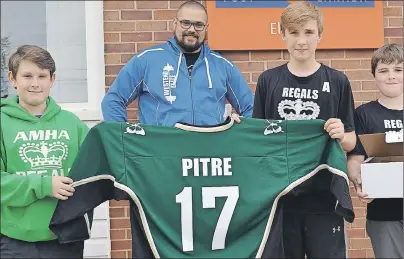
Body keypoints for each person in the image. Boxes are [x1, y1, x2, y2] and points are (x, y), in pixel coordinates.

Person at [252, 2, 356, 258]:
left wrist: (341, 134)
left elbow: (352, 142)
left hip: (324, 197)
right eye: (294, 32)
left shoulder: (338, 81)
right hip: (281, 198)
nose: (301, 41)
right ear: (283, 34)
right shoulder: (269, 80)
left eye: (308, 32)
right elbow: (256, 141)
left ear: (319, 35)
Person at [101, 0, 253, 125]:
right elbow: (113, 101)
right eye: (185, 23)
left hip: (208, 154)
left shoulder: (223, 66)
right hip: (160, 154)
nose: (192, 29)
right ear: (175, 23)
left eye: (198, 25)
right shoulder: (147, 61)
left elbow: (251, 107)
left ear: (206, 28)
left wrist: (240, 126)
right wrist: (123, 137)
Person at [0, 45, 89, 258]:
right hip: (15, 240)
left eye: (42, 76)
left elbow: (96, 171)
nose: (35, 83)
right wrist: (44, 185)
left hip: (66, 238)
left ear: (52, 79)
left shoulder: (73, 124)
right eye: (27, 76)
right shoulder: (2, 123)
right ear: (13, 79)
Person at [347, 43, 403, 259]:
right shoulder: (363, 114)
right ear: (374, 75)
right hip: (384, 214)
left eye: (398, 70)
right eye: (384, 70)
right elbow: (355, 158)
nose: (391, 76)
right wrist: (358, 182)